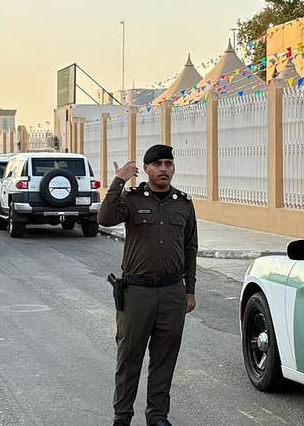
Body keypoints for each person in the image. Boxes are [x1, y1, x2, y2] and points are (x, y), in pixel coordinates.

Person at [98, 144, 198, 426]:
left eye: (168, 163)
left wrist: (189, 291)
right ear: (146, 169)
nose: (163, 169)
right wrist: (118, 181)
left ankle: (157, 416)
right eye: (157, 164)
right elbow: (104, 218)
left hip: (172, 292)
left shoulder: (183, 203)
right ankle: (122, 417)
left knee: (164, 359)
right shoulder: (131, 198)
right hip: (137, 293)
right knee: (129, 358)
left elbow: (191, 248)